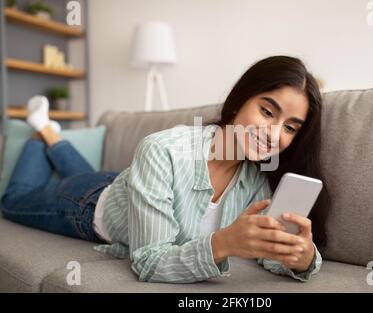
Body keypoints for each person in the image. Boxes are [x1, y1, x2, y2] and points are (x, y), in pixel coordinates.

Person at [1, 55, 329, 283]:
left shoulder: (258, 181)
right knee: (13, 199)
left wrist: (301, 258)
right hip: (88, 205)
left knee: (83, 172)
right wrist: (224, 243)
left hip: (133, 187)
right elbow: (148, 261)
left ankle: (51, 135)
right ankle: (39, 130)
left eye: (290, 127)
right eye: (268, 112)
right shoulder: (163, 149)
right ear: (239, 100)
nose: (274, 135)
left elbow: (265, 251)